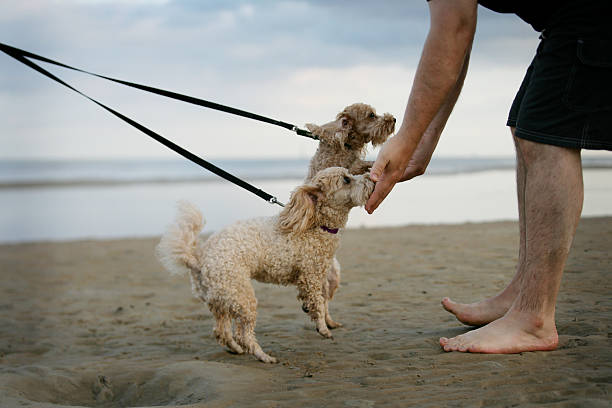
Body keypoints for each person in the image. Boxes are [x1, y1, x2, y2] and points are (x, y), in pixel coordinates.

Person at [365, 0, 612, 353]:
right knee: (525, 125)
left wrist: (406, 137)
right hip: (570, 18)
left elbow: (454, 29)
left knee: (545, 135)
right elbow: (456, 42)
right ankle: (523, 295)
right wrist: (420, 143)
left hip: (592, 14)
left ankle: (533, 319)